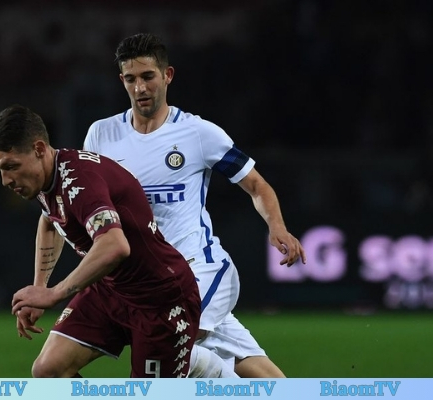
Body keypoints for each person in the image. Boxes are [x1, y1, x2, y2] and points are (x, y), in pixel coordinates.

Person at [83, 33, 307, 378]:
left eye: (148, 76)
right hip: (146, 281)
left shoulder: (198, 133)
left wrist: (277, 227)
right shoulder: (101, 135)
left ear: (167, 75)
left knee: (169, 345)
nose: (140, 88)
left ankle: (218, 379)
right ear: (122, 81)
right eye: (131, 79)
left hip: (196, 269)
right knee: (271, 383)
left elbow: (256, 184)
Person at [0, 104, 237, 378]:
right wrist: (39, 287)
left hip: (160, 299)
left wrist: (55, 293)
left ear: (38, 149)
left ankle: (208, 370)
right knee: (48, 370)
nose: (5, 180)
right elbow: (49, 220)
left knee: (148, 394)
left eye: (11, 167)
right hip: (109, 291)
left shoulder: (79, 182)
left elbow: (115, 245)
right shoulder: (45, 179)